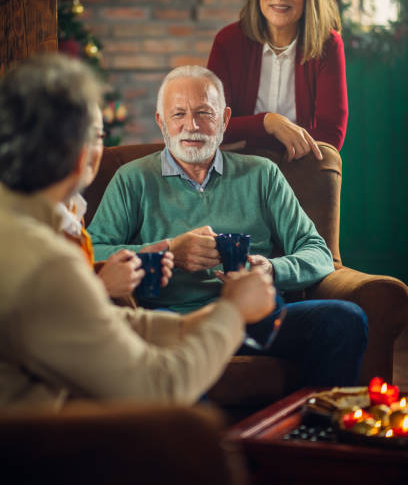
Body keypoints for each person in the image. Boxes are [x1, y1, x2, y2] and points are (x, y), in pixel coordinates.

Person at [0, 54, 275, 409]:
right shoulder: (50, 263)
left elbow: (90, 319)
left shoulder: (24, 229)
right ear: (81, 154)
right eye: (99, 135)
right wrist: (233, 312)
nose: (190, 124)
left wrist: (191, 325)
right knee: (194, 426)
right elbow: (159, 390)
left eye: (203, 112)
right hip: (41, 449)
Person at [88, 65, 367, 388]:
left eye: (204, 113)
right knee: (173, 367)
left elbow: (318, 252)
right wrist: (170, 251)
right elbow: (92, 251)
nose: (191, 126)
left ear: (225, 119)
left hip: (257, 318)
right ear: (160, 122)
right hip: (176, 321)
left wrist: (271, 270)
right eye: (178, 114)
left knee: (346, 319)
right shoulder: (132, 179)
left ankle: (310, 434)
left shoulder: (262, 174)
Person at [207, 0, 347, 159]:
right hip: (239, 166)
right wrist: (266, 122)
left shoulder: (327, 44)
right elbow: (211, 124)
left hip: (300, 165)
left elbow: (331, 134)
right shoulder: (228, 41)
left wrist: (272, 150)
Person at [58, 104, 171, 303]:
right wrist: (102, 285)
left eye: (97, 137)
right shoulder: (20, 224)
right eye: (73, 134)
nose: (88, 151)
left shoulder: (73, 207)